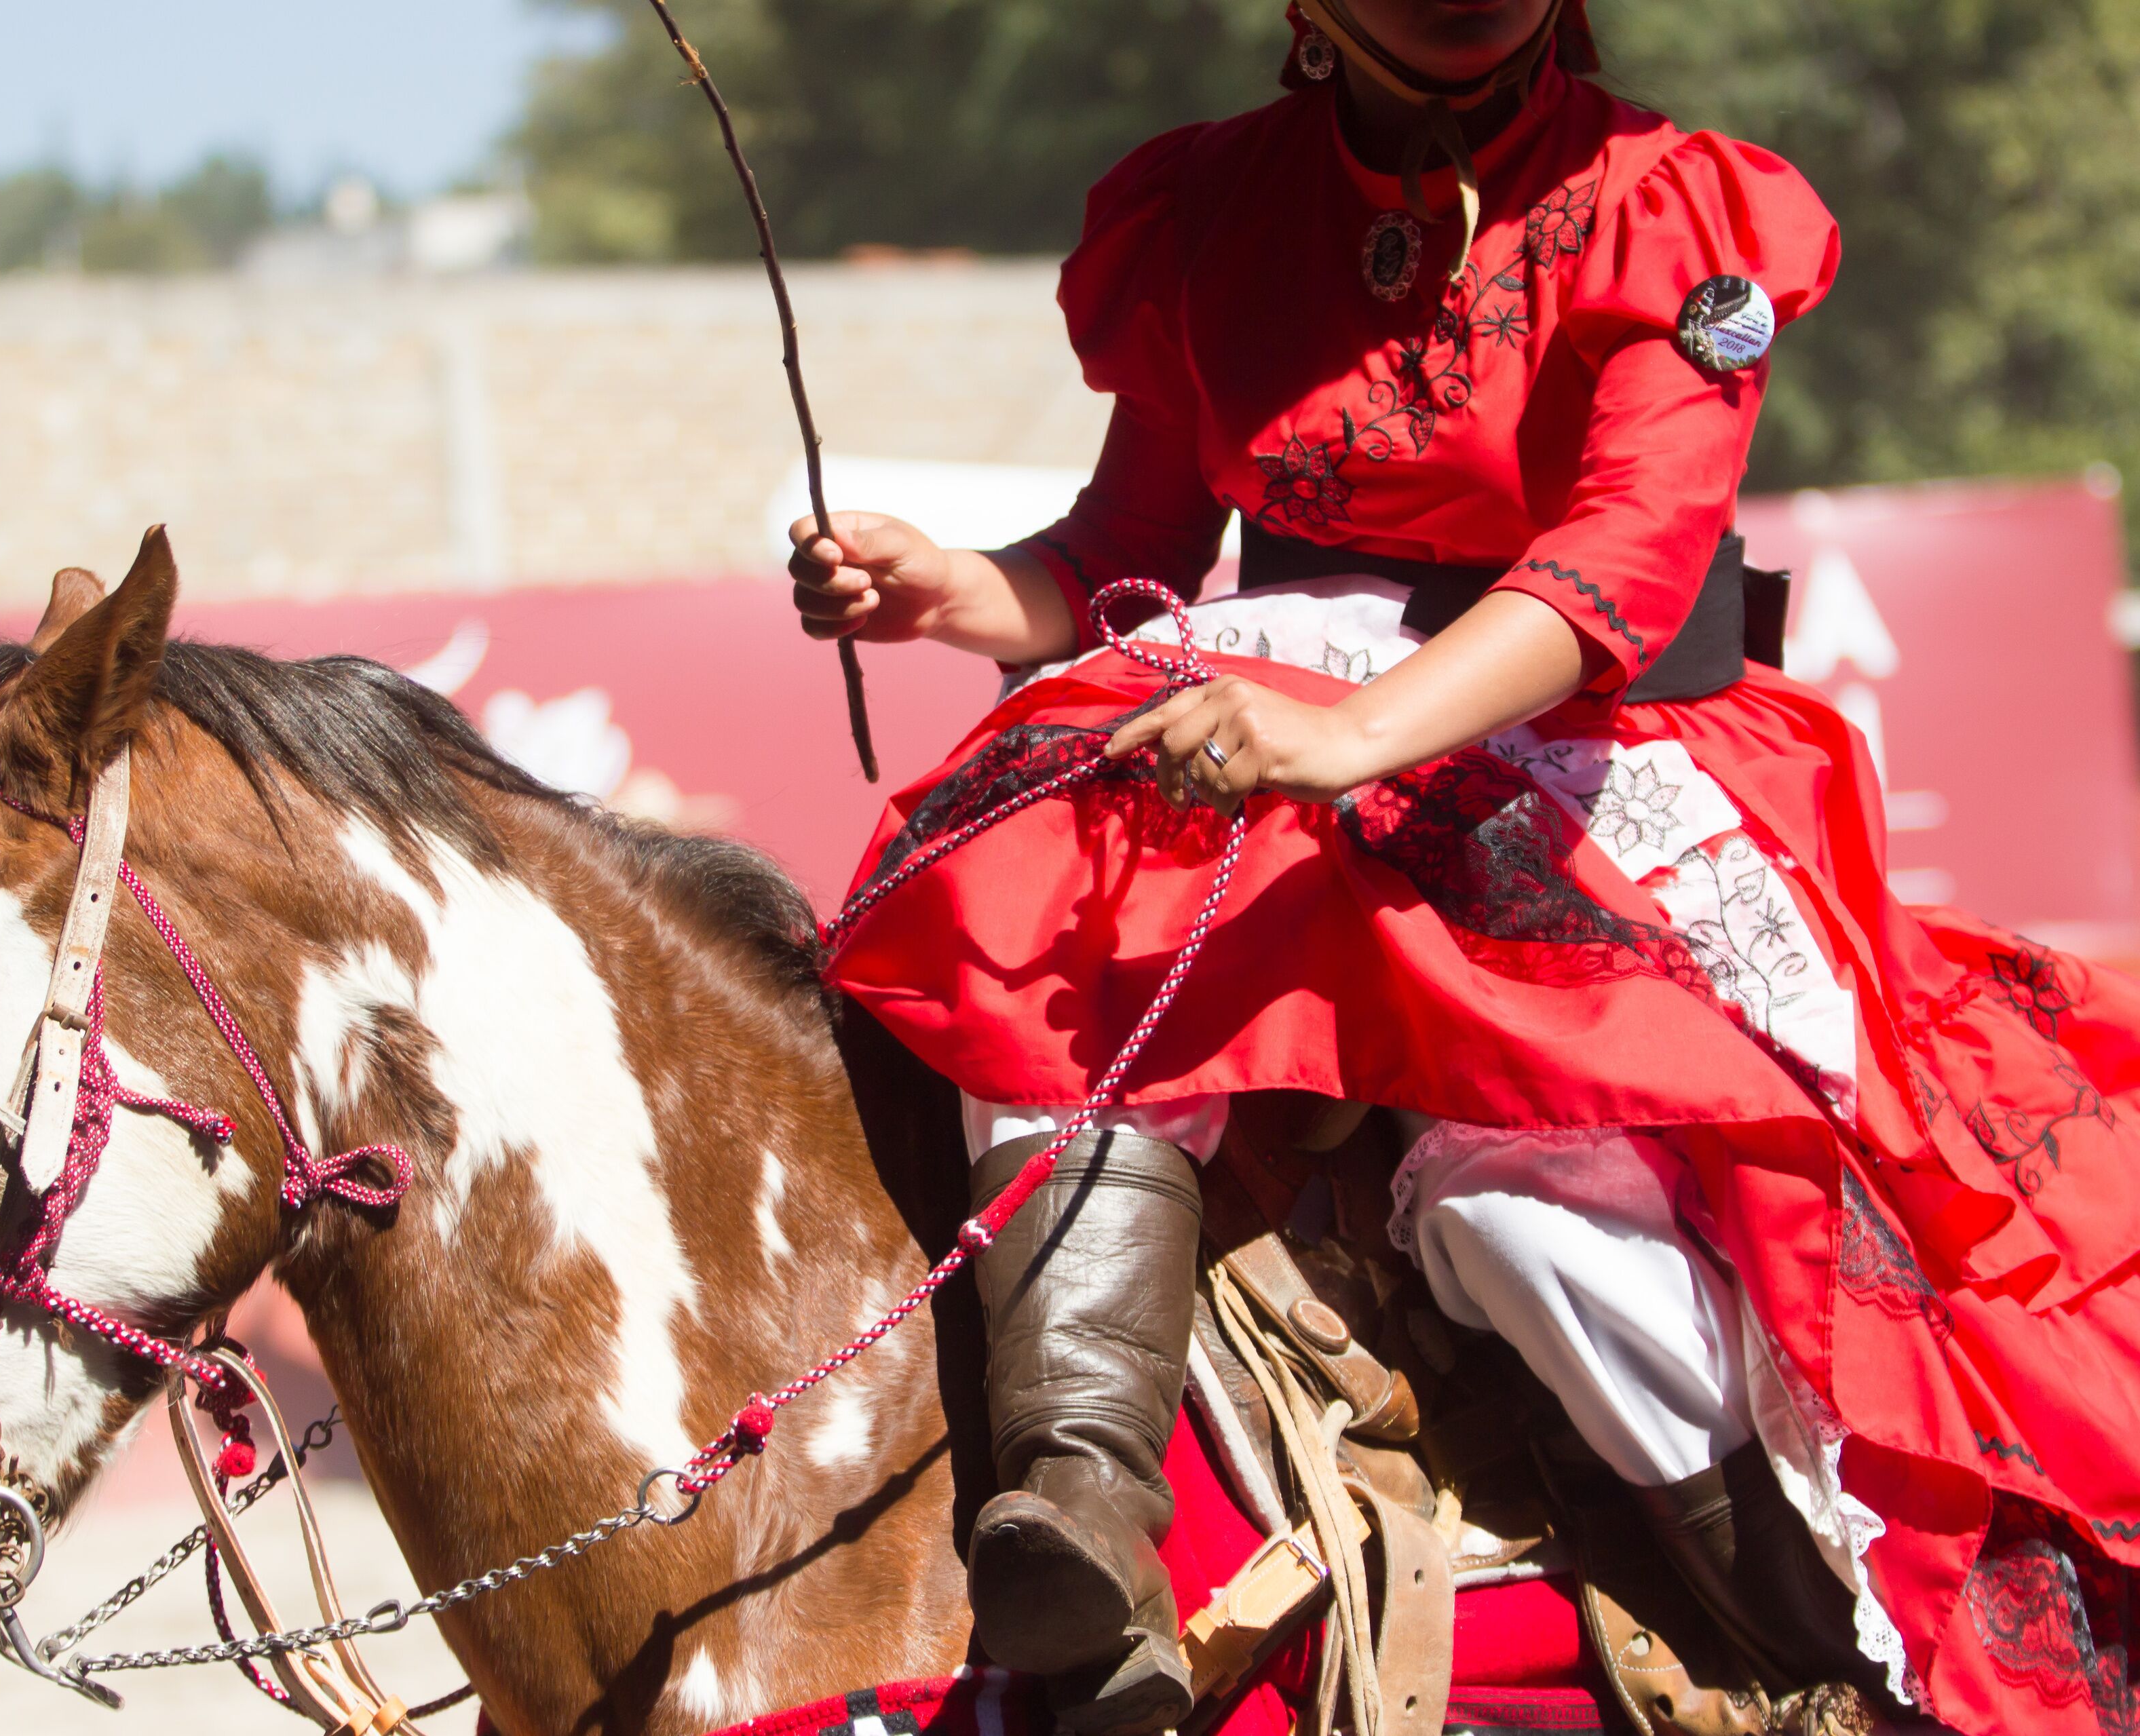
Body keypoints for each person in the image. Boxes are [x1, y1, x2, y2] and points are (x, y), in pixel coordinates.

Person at [791, 4, 2140, 1735]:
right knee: (1055, 962)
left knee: (1534, 1221)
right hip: (1253, 719)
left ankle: (1824, 1651)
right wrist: (951, 592)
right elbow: (1124, 551)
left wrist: (1348, 739)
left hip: (1571, 738)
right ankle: (1079, 1518)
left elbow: (1616, 575)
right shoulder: (1206, 205)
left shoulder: (1679, 202)